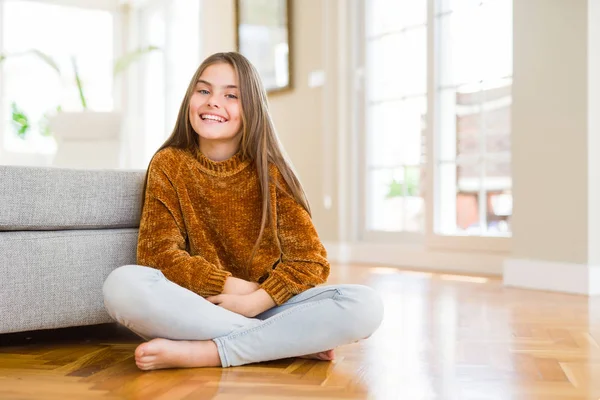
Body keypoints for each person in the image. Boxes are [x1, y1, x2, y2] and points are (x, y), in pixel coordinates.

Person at [102, 52, 384, 370]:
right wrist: (236, 288)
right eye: (203, 90)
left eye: (231, 95)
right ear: (189, 100)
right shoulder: (169, 163)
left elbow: (310, 261)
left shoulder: (271, 170)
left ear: (251, 108)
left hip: (272, 305)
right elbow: (158, 255)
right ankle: (281, 343)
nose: (213, 102)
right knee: (121, 285)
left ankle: (210, 352)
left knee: (365, 305)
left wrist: (256, 301)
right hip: (201, 305)